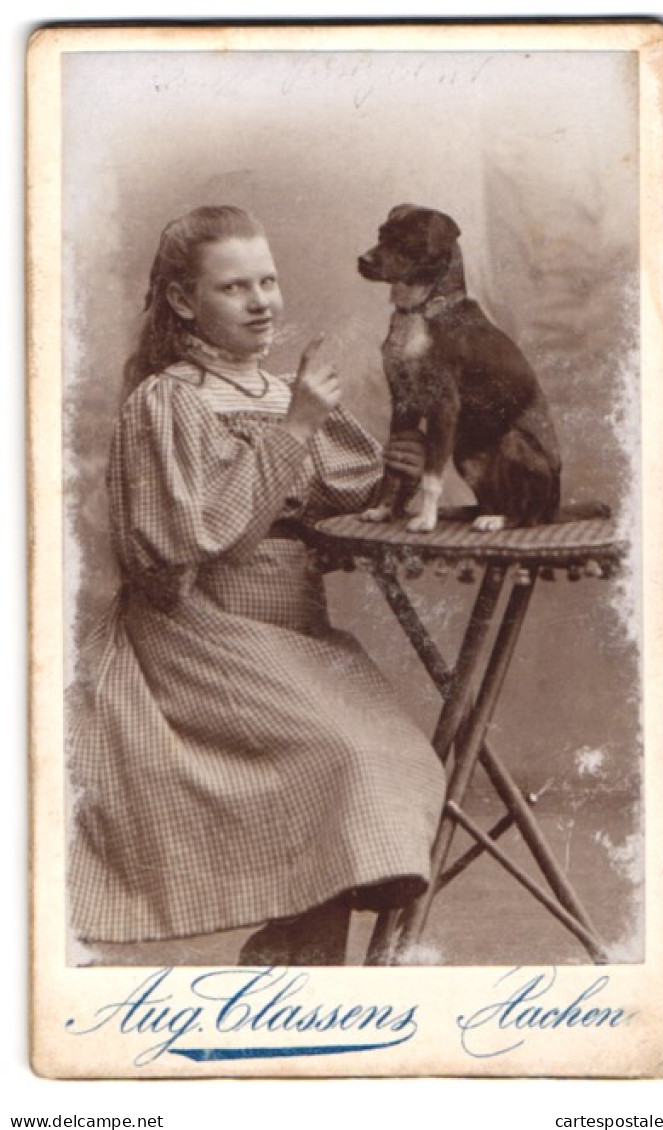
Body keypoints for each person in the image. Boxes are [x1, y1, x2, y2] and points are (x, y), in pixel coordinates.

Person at [68, 204, 445, 965]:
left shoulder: (282, 392)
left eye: (267, 281)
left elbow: (330, 490)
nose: (263, 301)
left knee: (398, 754)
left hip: (297, 635)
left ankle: (297, 957)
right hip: (198, 635)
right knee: (339, 757)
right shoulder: (166, 402)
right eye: (235, 287)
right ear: (183, 302)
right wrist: (299, 426)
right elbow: (193, 542)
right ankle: (296, 960)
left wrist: (391, 471)